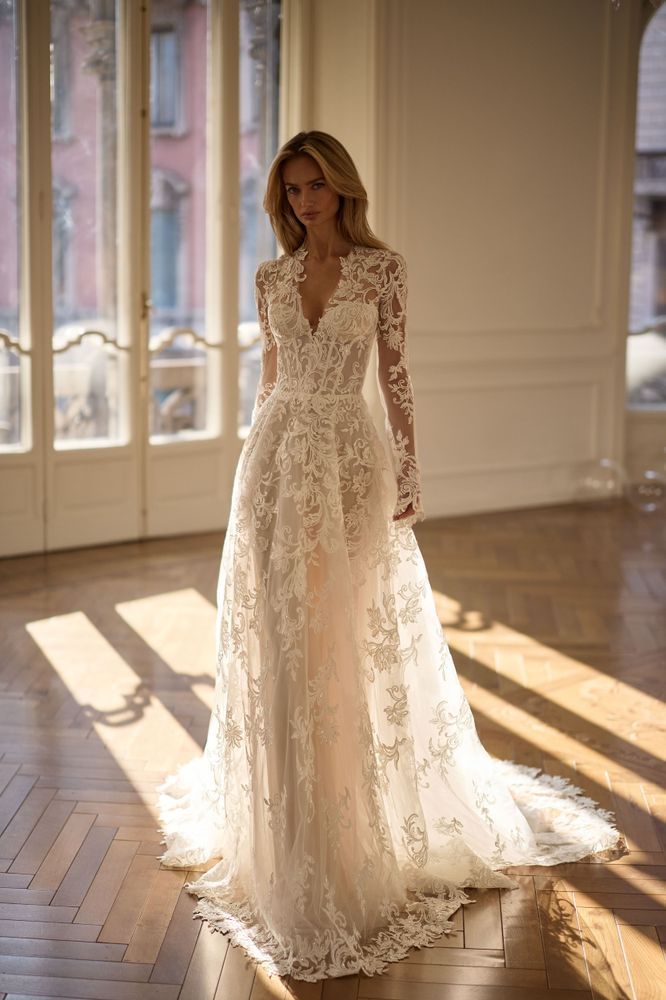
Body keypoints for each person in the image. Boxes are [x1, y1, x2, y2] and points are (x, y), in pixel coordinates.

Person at [157, 130, 625, 982]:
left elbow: (397, 374)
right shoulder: (270, 279)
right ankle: (289, 827)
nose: (304, 202)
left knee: (342, 630)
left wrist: (410, 468)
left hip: (350, 462)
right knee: (281, 635)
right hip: (275, 462)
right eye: (292, 190)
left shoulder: (382, 270)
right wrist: (250, 468)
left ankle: (350, 822)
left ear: (342, 187)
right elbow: (269, 378)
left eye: (316, 186)